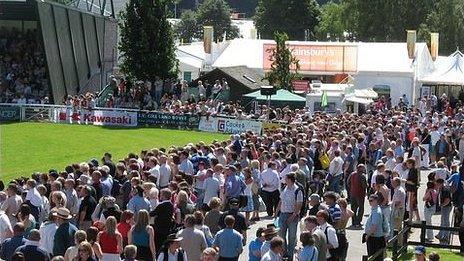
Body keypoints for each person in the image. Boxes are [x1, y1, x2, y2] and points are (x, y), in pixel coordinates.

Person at [275, 173, 303, 260]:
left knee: (292, 237)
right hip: (283, 214)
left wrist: (294, 215)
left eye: (285, 178)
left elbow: (299, 204)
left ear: (290, 179)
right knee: (281, 235)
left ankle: (290, 256)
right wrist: (276, 212)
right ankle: (284, 254)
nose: (284, 179)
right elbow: (280, 201)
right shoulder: (285, 188)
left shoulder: (298, 190)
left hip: (292, 215)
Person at [364, 194, 386, 261]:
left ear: (376, 201)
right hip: (376, 237)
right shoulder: (375, 209)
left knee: (373, 257)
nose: (369, 202)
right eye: (369, 200)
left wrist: (367, 235)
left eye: (371, 200)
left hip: (375, 239)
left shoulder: (376, 212)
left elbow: (374, 227)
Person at [435, 179, 452, 243]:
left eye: (437, 184)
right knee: (442, 221)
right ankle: (440, 234)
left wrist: (442, 205)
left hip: (447, 207)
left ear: (440, 184)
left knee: (446, 221)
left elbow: (448, 200)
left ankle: (446, 236)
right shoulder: (441, 189)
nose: (436, 185)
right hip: (443, 206)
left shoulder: (445, 190)